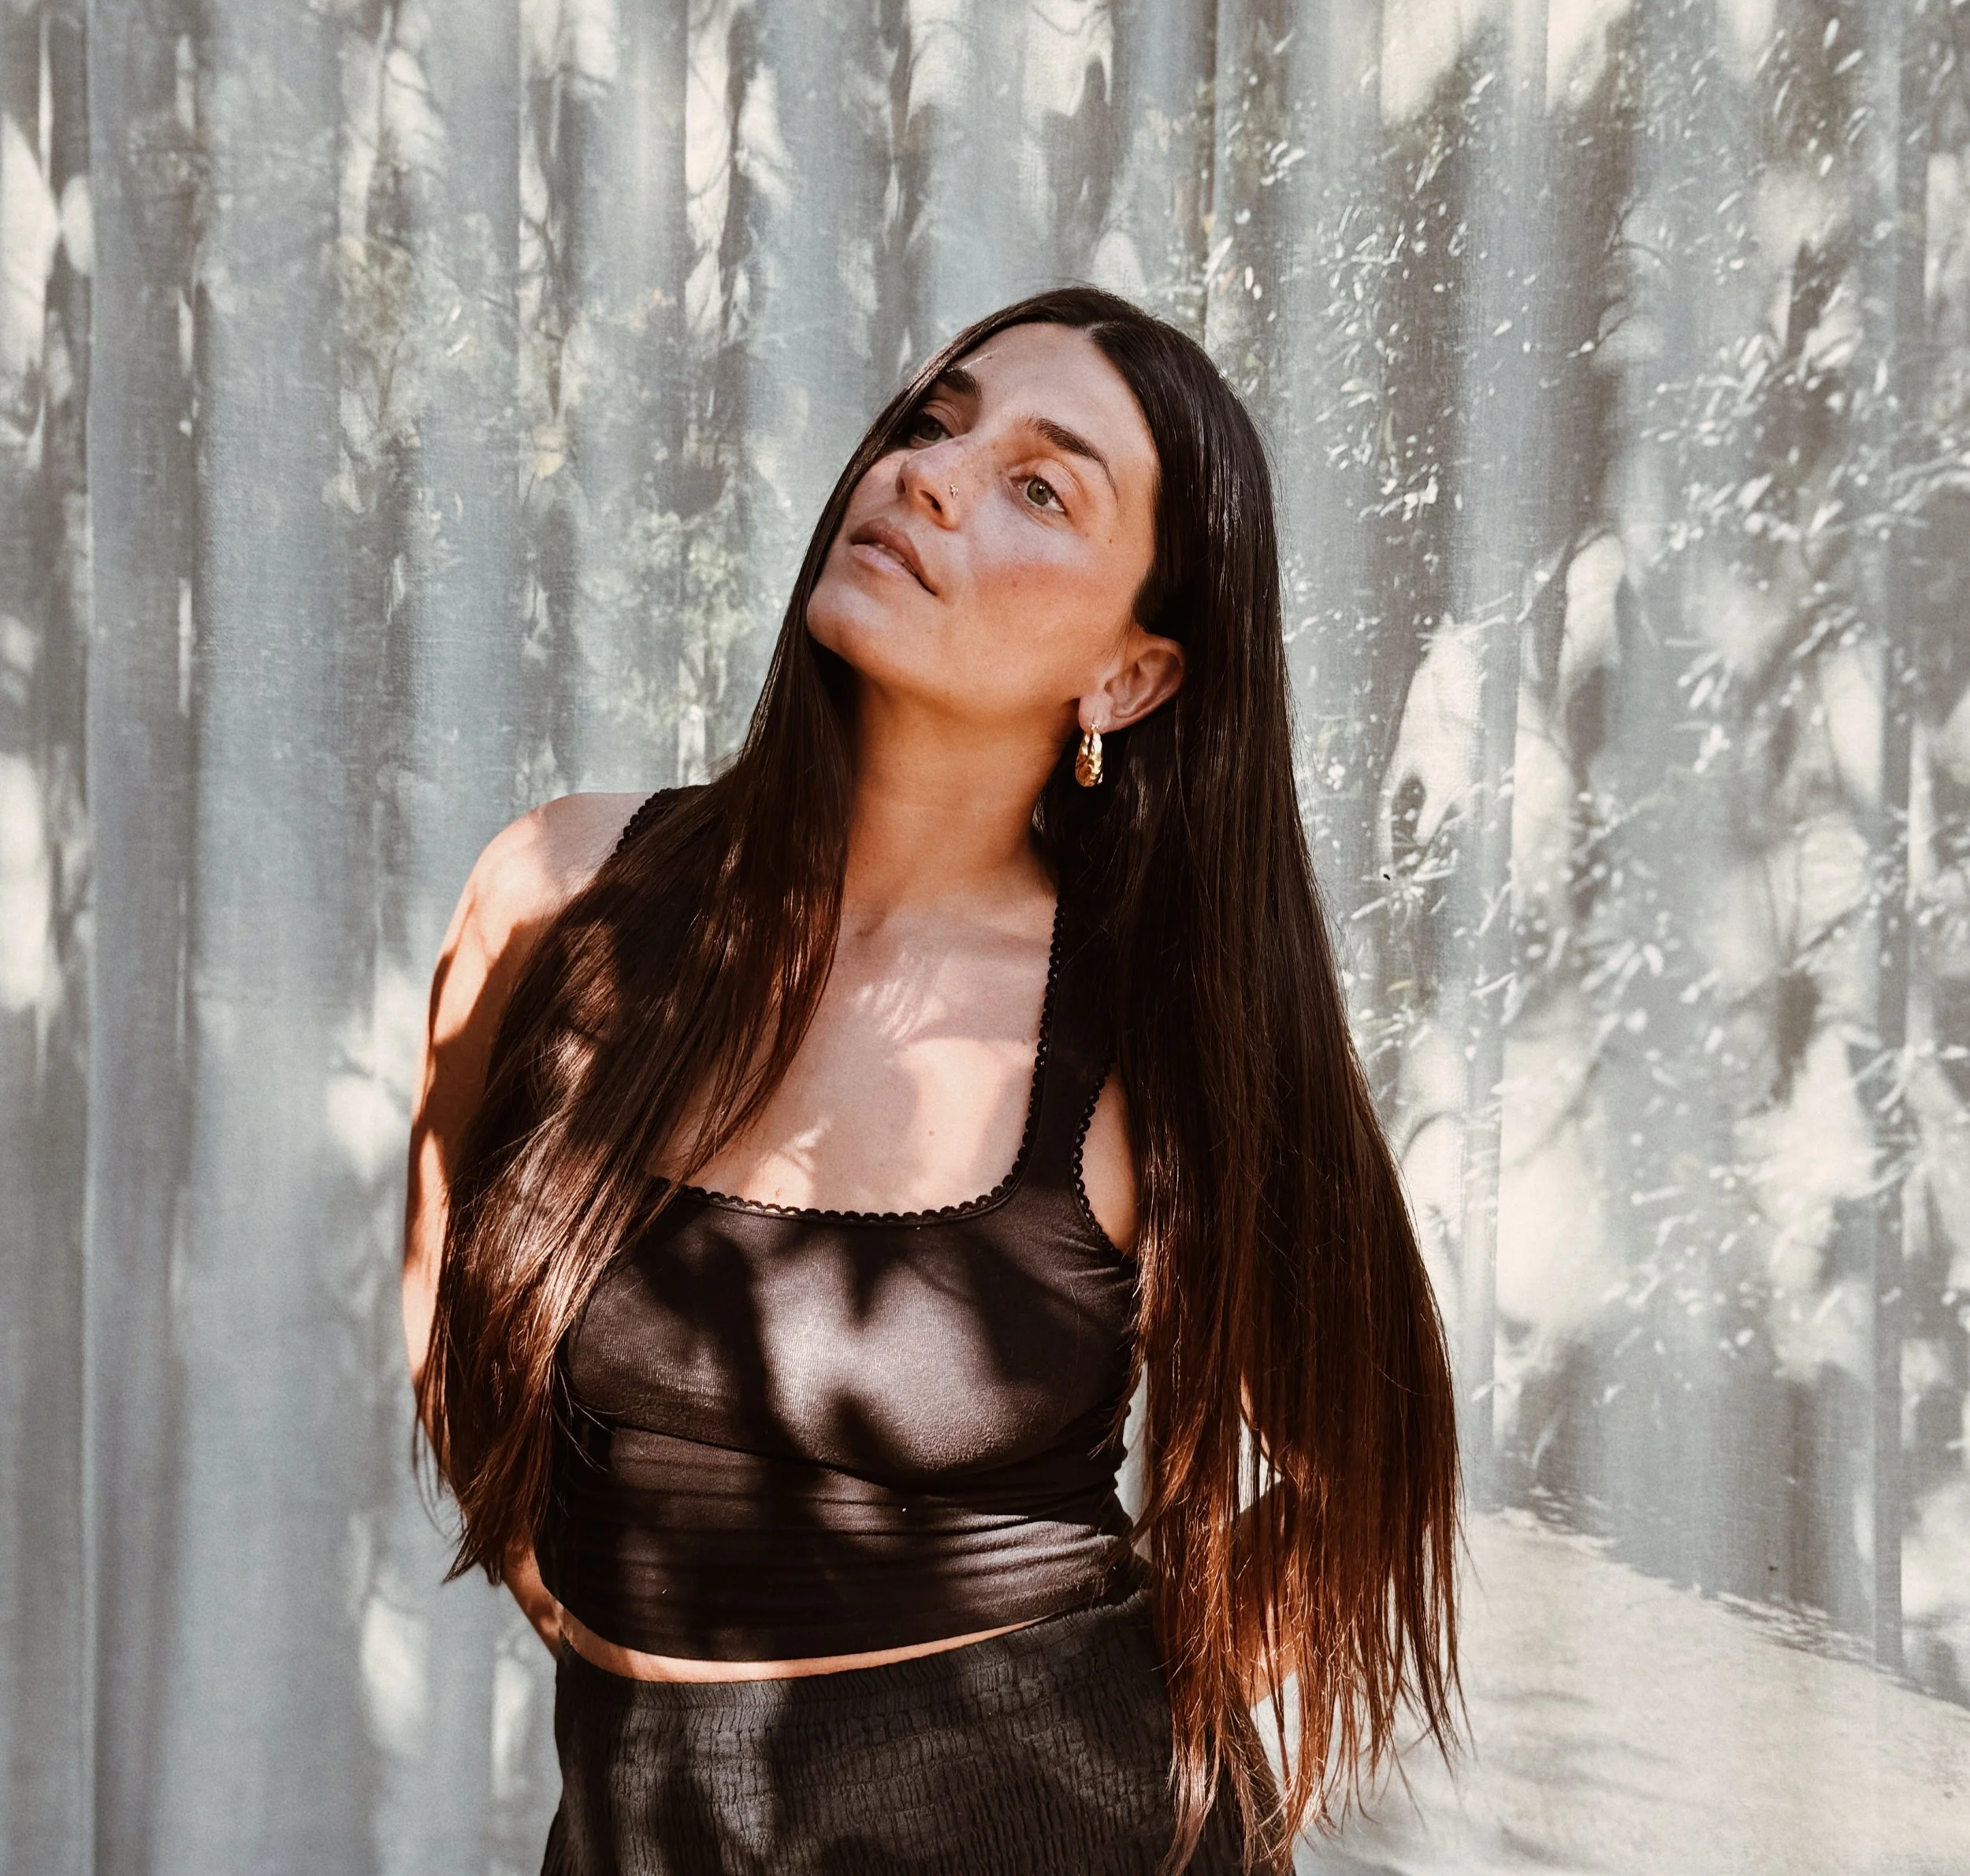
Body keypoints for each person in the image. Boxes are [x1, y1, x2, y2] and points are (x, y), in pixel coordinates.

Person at [401, 285, 1462, 1876]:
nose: (930, 476)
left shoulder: (1151, 1038)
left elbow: (1353, 1465)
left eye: (1040, 485)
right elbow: (442, 1291)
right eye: (931, 422)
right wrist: (593, 1603)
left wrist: (1118, 1697)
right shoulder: (558, 890)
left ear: (1130, 678)